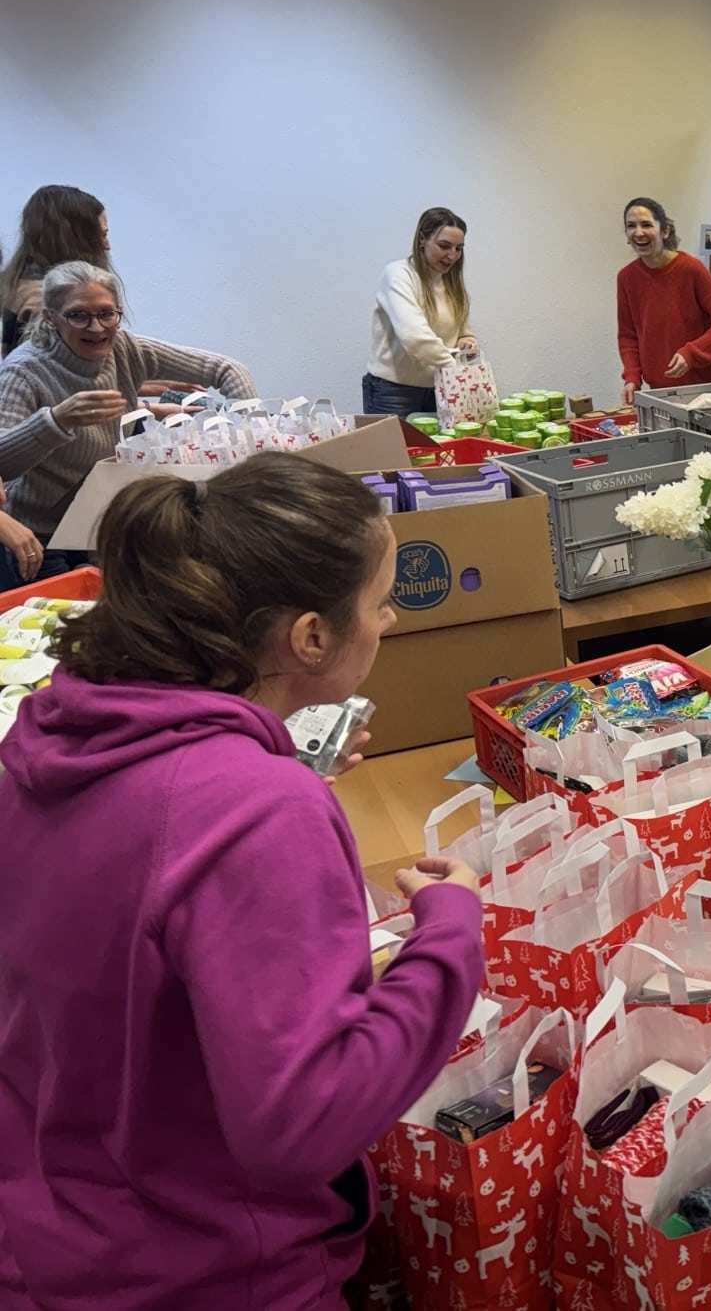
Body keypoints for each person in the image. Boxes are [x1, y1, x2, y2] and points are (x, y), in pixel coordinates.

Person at [0, 452, 484, 1309]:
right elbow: (305, 1123)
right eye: (380, 602)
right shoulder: (256, 809)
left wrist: (266, 777)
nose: (390, 620)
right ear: (312, 637)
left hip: (53, 1231)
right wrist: (448, 934)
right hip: (206, 1269)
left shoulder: (49, 740)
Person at [0, 262, 254, 587]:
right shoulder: (23, 371)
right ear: (50, 318)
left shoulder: (127, 348)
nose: (96, 327)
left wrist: (250, 431)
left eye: (106, 314)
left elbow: (227, 368)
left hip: (100, 520)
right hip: (38, 532)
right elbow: (4, 463)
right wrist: (55, 421)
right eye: (78, 315)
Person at [617, 197, 711, 406]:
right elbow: (628, 335)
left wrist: (691, 353)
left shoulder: (691, 269)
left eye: (646, 225)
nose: (638, 232)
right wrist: (632, 377)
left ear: (665, 231)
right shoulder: (626, 278)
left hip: (705, 391)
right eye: (631, 226)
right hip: (660, 392)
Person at [364, 207, 476, 417]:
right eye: (444, 246)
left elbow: (463, 332)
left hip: (441, 386)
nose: (452, 255)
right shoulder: (399, 274)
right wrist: (457, 371)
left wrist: (467, 342)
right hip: (393, 391)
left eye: (459, 248)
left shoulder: (453, 285)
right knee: (394, 442)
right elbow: (415, 337)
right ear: (422, 240)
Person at [0, 184, 109, 357]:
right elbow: (45, 370)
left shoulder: (19, 287)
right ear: (77, 240)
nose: (106, 246)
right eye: (102, 235)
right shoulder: (48, 300)